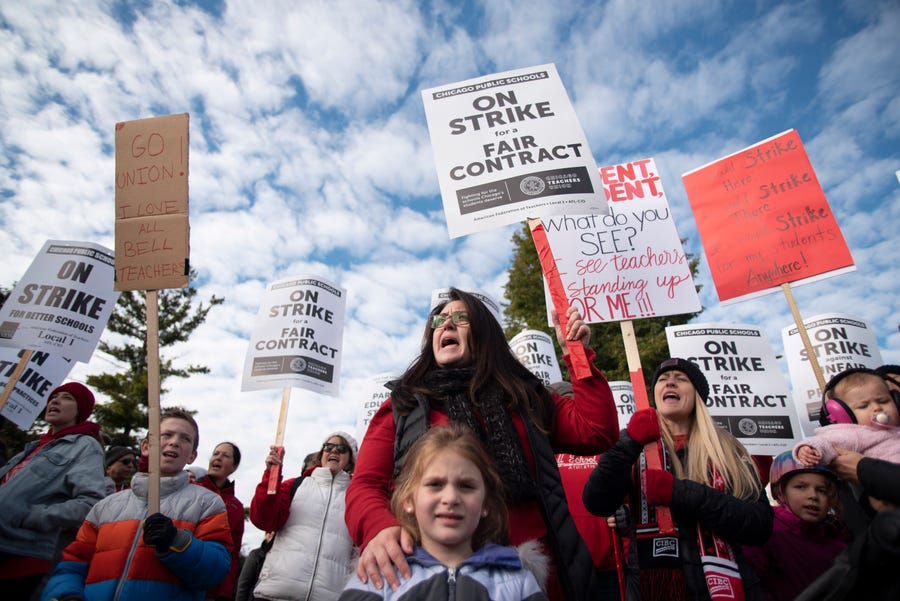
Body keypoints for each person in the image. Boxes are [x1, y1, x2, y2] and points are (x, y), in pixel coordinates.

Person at [346, 288, 618, 601]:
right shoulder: (405, 405)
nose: (446, 325)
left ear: (485, 334)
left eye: (461, 318)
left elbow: (597, 430)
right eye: (439, 320)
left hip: (531, 581)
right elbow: (365, 485)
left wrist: (576, 352)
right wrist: (379, 528)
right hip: (430, 578)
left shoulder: (526, 399)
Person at [583, 358, 773, 601]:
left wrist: (679, 493)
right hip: (650, 587)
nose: (670, 381)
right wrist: (628, 442)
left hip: (727, 587)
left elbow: (759, 525)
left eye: (681, 379)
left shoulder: (729, 450)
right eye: (663, 379)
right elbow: (596, 501)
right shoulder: (634, 444)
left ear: (698, 395)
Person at [40, 408, 233, 601]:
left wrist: (176, 542)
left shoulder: (207, 504)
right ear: (146, 447)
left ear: (192, 456)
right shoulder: (106, 506)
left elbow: (215, 572)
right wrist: (65, 594)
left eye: (185, 439)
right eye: (166, 434)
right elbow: (73, 563)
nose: (174, 442)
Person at [340, 423, 549, 600]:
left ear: (486, 503)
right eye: (435, 484)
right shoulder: (376, 579)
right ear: (408, 500)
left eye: (466, 486)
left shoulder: (519, 581)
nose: (450, 498)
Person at [0, 382, 106, 600]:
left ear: (80, 411)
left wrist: (31, 516)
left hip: (20, 555)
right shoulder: (33, 447)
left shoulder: (85, 446)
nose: (54, 400)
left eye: (66, 397)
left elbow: (90, 503)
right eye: (53, 396)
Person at [249, 431, 358, 601]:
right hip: (276, 593)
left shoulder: (357, 496)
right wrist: (271, 475)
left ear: (350, 459)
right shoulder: (294, 485)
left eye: (342, 448)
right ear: (321, 454)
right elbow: (264, 520)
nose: (334, 451)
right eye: (328, 447)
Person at [796, 367, 900, 531]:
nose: (877, 408)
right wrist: (809, 449)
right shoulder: (855, 433)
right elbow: (827, 442)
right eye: (864, 405)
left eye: (883, 401)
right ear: (844, 415)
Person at [743, 451, 850, 601]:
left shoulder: (841, 537)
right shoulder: (765, 529)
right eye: (800, 487)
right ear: (779, 492)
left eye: (822, 490)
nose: (813, 495)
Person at [195, 442, 245, 600]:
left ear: (234, 466)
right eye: (216, 453)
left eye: (225, 455)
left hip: (213, 589)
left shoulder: (236, 507)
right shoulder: (192, 489)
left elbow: (234, 552)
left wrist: (225, 592)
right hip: (179, 577)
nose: (218, 458)